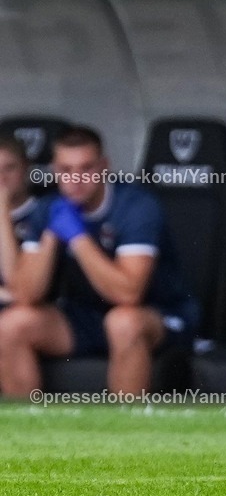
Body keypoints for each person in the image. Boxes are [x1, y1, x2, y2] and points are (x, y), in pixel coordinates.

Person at [0, 126, 198, 398]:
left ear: (104, 167)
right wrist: (50, 236)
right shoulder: (49, 208)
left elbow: (128, 293)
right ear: (54, 171)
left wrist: (78, 237)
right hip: (85, 317)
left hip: (157, 315)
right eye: (66, 170)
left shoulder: (136, 206)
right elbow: (26, 294)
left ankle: (126, 436)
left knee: (122, 323)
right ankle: (28, 434)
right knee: (11, 324)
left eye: (86, 169)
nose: (76, 179)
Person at [0, 136, 38, 304]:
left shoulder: (42, 213)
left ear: (25, 168)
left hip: (21, 312)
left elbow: (16, 283)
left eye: (9, 168)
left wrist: (2, 209)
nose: (1, 178)